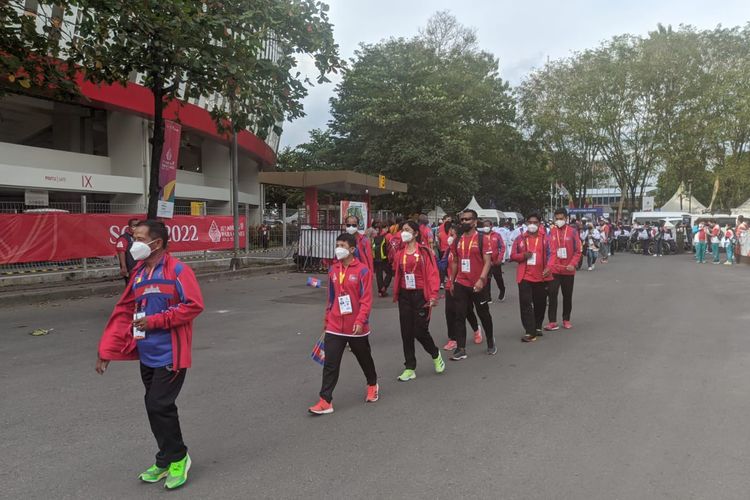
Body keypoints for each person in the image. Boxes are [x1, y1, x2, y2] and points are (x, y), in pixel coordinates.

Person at [96, 220, 204, 490]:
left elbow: (193, 305)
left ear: (157, 243)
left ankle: (179, 458)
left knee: (160, 405)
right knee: (153, 407)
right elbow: (124, 312)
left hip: (171, 355)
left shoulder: (179, 270)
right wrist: (106, 350)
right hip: (147, 354)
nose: (133, 244)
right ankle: (165, 459)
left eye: (139, 238)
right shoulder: (139, 274)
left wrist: (156, 321)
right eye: (133, 238)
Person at [309, 233, 378, 415]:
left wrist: (360, 320)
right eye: (337, 244)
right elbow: (330, 298)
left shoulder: (363, 271)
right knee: (330, 363)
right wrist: (327, 321)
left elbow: (366, 300)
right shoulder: (333, 270)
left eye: (342, 245)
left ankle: (372, 384)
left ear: (352, 249)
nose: (338, 248)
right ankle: (325, 400)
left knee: (364, 358)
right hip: (335, 325)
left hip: (356, 327)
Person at [392, 221, 444, 381]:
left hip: (421, 294)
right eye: (402, 230)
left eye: (407, 230)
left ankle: (435, 354)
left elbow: (433, 273)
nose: (403, 232)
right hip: (404, 295)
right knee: (406, 331)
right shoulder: (399, 253)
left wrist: (433, 295)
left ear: (415, 233)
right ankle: (409, 367)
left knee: (419, 330)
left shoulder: (425, 252)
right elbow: (397, 272)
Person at [446, 209, 496, 360]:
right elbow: (455, 261)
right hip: (461, 282)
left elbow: (487, 262)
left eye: (467, 219)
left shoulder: (482, 239)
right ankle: (461, 349)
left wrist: (482, 279)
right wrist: (452, 280)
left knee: (483, 314)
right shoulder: (458, 240)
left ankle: (490, 341)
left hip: (478, 284)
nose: (464, 222)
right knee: (459, 315)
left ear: (475, 221)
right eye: (462, 220)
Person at [511, 213, 551, 342]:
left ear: (539, 224)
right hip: (524, 277)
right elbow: (512, 256)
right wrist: (523, 256)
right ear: (526, 224)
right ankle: (530, 331)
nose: (532, 225)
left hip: (541, 276)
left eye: (535, 222)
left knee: (540, 303)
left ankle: (537, 326)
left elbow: (552, 255)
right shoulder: (520, 239)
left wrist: (549, 267)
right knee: (525, 303)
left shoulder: (546, 238)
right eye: (530, 222)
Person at [545, 208, 582, 331]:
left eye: (561, 218)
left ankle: (566, 319)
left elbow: (578, 251)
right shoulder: (551, 232)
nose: (559, 220)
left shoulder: (572, 232)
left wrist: (573, 263)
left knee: (567, 296)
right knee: (552, 295)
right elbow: (548, 251)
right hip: (554, 270)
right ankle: (552, 321)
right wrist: (548, 266)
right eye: (557, 218)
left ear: (566, 218)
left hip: (568, 270)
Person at [482, 219, 506, 301]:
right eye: (484, 226)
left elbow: (502, 247)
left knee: (498, 278)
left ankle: (502, 290)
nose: (486, 227)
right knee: (487, 280)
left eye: (487, 226)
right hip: (486, 262)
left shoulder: (497, 235)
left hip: (496, 261)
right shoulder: (480, 236)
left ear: (491, 226)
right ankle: (488, 297)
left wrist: (500, 258)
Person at [115, 218, 140, 286]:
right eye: (134, 225)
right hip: (130, 269)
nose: (137, 227)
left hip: (140, 268)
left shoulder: (141, 237)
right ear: (129, 227)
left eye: (139, 225)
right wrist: (123, 267)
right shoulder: (124, 238)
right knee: (131, 286)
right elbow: (121, 252)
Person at [371, 222, 392, 297]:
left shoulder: (375, 237)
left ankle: (380, 290)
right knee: (389, 273)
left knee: (378, 274)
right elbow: (390, 248)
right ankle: (384, 286)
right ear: (386, 228)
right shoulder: (388, 236)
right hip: (384, 257)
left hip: (376, 258)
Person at [436, 215, 453, 286]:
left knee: (442, 267)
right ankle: (450, 279)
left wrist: (439, 248)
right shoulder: (451, 233)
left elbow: (437, 242)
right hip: (450, 251)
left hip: (442, 251)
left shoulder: (440, 233)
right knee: (450, 266)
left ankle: (442, 282)